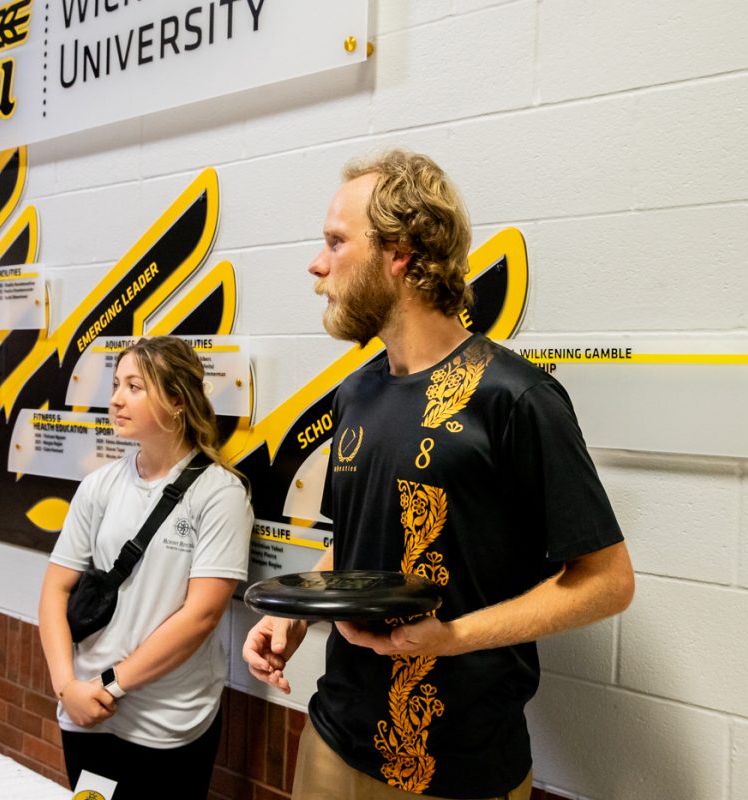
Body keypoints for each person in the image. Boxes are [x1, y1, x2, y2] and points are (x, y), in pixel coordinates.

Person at [242, 151, 635, 800]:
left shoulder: (514, 397)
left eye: (336, 242)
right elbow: (361, 540)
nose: (317, 265)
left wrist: (452, 638)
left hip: (464, 771)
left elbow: (607, 583)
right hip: (333, 743)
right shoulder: (355, 394)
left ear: (400, 253)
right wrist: (296, 617)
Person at [39, 336, 252, 799]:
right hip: (86, 712)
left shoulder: (220, 494)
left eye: (135, 386)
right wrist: (66, 688)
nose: (116, 398)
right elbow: (55, 591)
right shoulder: (100, 486)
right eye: (116, 384)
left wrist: (111, 685)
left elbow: (201, 616)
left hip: (168, 721)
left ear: (177, 400)